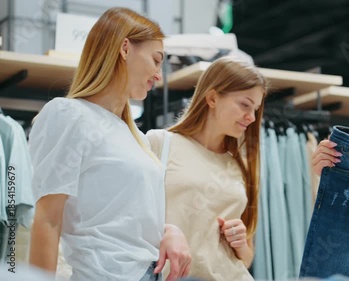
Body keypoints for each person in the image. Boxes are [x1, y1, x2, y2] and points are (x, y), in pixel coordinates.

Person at [28, 7, 191, 281]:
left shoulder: (135, 136)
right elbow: (47, 219)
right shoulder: (69, 115)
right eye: (156, 60)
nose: (159, 75)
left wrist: (170, 230)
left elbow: (125, 216)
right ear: (125, 48)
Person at [146, 56, 267, 281]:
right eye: (244, 105)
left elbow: (246, 258)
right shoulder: (160, 143)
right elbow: (130, 220)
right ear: (212, 98)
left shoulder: (240, 166)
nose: (251, 117)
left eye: (256, 109)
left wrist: (240, 243)